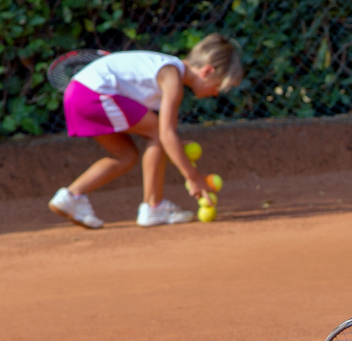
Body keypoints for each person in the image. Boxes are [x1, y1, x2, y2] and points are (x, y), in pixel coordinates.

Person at [46, 34, 242, 228]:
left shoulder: (168, 69)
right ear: (207, 71)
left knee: (125, 155)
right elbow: (165, 134)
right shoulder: (172, 76)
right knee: (158, 134)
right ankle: (154, 207)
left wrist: (173, 145)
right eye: (217, 86)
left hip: (76, 94)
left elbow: (165, 135)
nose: (216, 93)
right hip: (93, 93)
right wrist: (194, 178)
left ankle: (71, 196)